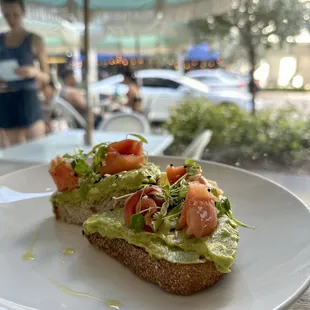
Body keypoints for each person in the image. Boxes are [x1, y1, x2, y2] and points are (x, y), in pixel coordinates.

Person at [0, 0, 50, 147]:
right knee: (15, 149)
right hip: (5, 96)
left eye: (15, 14)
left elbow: (46, 77)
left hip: (27, 97)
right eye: (7, 15)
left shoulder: (34, 39)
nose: (11, 19)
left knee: (35, 147)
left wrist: (33, 72)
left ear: (23, 13)